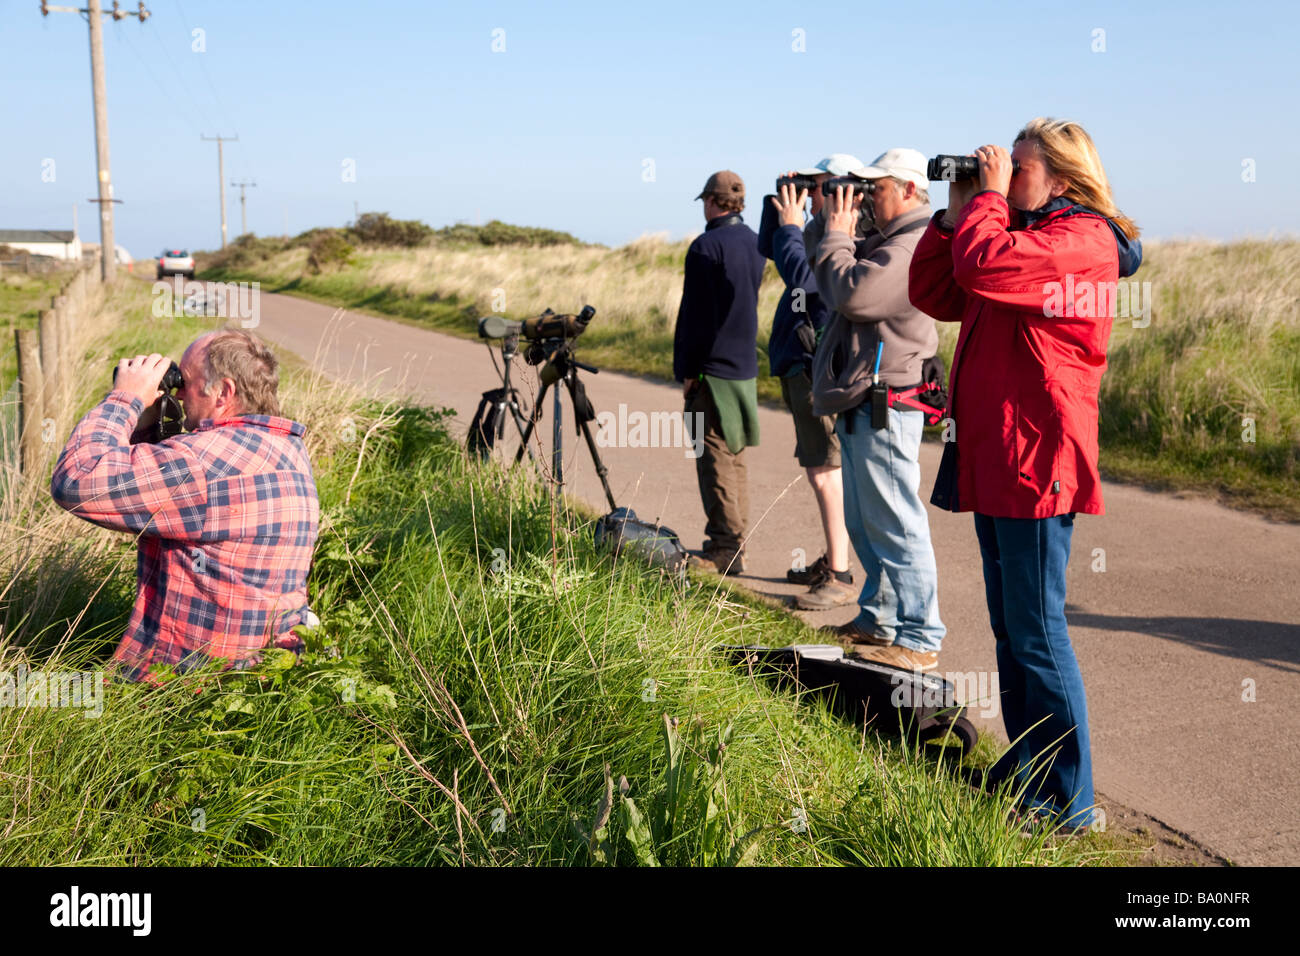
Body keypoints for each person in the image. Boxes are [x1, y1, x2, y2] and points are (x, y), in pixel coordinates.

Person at [908, 118, 1143, 832]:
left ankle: (1070, 800)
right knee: (1012, 627)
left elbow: (986, 270)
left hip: (1037, 456)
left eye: (1018, 165)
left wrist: (984, 206)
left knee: (1038, 629)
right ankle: (1035, 763)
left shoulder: (1082, 242)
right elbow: (937, 293)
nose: (1003, 176)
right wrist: (953, 216)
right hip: (1000, 451)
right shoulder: (1017, 235)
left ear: (1063, 179)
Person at [50, 329, 320, 683]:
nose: (177, 392)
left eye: (185, 382)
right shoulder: (288, 449)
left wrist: (124, 399)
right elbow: (161, 487)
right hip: (267, 671)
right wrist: (148, 421)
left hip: (186, 687)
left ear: (224, 392)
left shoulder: (201, 464)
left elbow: (77, 481)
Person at [808, 149, 947, 672]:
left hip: (888, 401)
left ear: (910, 189)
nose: (866, 198)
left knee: (896, 520)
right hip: (866, 398)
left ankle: (920, 634)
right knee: (867, 521)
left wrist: (839, 232)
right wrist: (825, 217)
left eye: (876, 187)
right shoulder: (888, 241)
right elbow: (823, 271)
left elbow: (855, 296)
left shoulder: (912, 245)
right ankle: (880, 618)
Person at [757, 154, 862, 610]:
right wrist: (782, 210)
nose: (812, 195)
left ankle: (839, 572)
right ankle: (833, 557)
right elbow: (772, 247)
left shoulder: (844, 237)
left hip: (817, 363)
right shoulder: (818, 231)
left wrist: (792, 226)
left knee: (825, 471)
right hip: (802, 361)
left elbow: (802, 281)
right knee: (821, 468)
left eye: (818, 186)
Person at [673, 170, 765, 575]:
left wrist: (689, 371)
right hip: (744, 364)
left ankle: (725, 547)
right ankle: (735, 541)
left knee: (713, 457)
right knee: (735, 457)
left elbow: (695, 319)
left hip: (712, 369)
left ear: (712, 201)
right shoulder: (758, 243)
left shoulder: (705, 246)